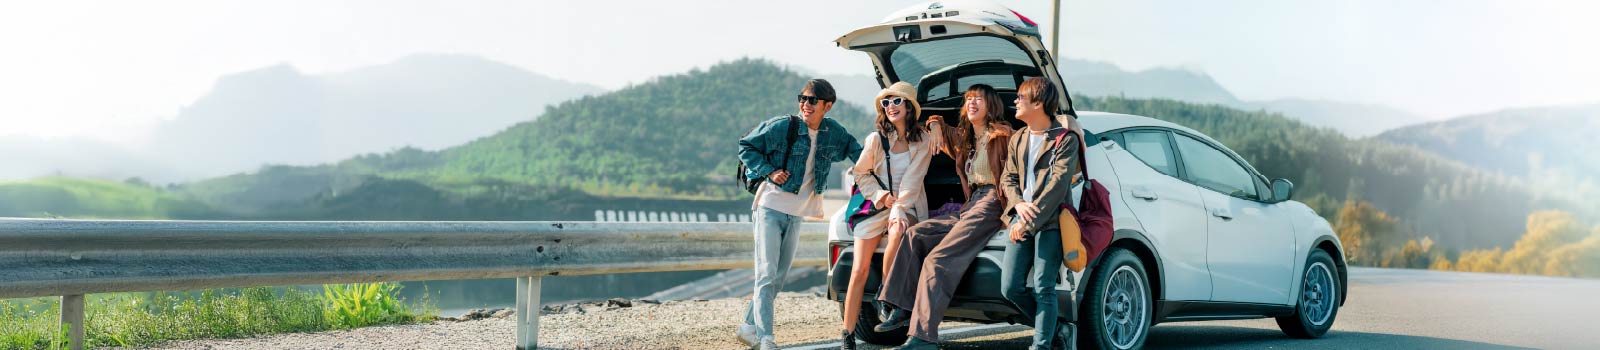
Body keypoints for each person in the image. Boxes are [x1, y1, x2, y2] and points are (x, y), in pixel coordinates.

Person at [873, 84, 1014, 349]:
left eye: (979, 99)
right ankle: (900, 307)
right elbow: (933, 122)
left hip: (993, 202)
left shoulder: (1004, 134)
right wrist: (936, 126)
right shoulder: (965, 138)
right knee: (915, 234)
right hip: (971, 204)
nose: (972, 102)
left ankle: (923, 338)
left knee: (938, 260)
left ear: (992, 106)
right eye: (968, 98)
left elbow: (1030, 144)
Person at [736, 79, 863, 350]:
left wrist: (869, 170)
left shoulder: (832, 131)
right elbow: (746, 146)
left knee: (778, 278)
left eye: (813, 100)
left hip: (797, 214)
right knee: (766, 275)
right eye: (803, 98)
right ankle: (766, 339)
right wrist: (769, 171)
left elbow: (856, 151)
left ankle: (747, 327)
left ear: (827, 106)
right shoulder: (783, 126)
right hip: (770, 207)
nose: (806, 104)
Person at [837, 81, 943, 349]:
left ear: (909, 106)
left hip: (907, 205)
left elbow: (913, 181)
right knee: (859, 270)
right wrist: (881, 196)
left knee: (898, 229)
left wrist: (897, 207)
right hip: (876, 206)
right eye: (886, 103)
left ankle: (887, 295)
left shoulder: (923, 141)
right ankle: (847, 334)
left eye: (897, 101)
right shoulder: (875, 139)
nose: (891, 107)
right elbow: (861, 173)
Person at [1000, 77, 1080, 350]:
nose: (1015, 101)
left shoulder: (1065, 140)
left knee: (1043, 286)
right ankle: (1056, 328)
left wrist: (1028, 221)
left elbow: (1057, 187)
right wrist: (1018, 205)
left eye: (1021, 97)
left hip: (1052, 220)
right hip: (1020, 217)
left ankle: (1041, 345)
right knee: (1010, 288)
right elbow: (1008, 178)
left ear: (1038, 103)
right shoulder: (1018, 138)